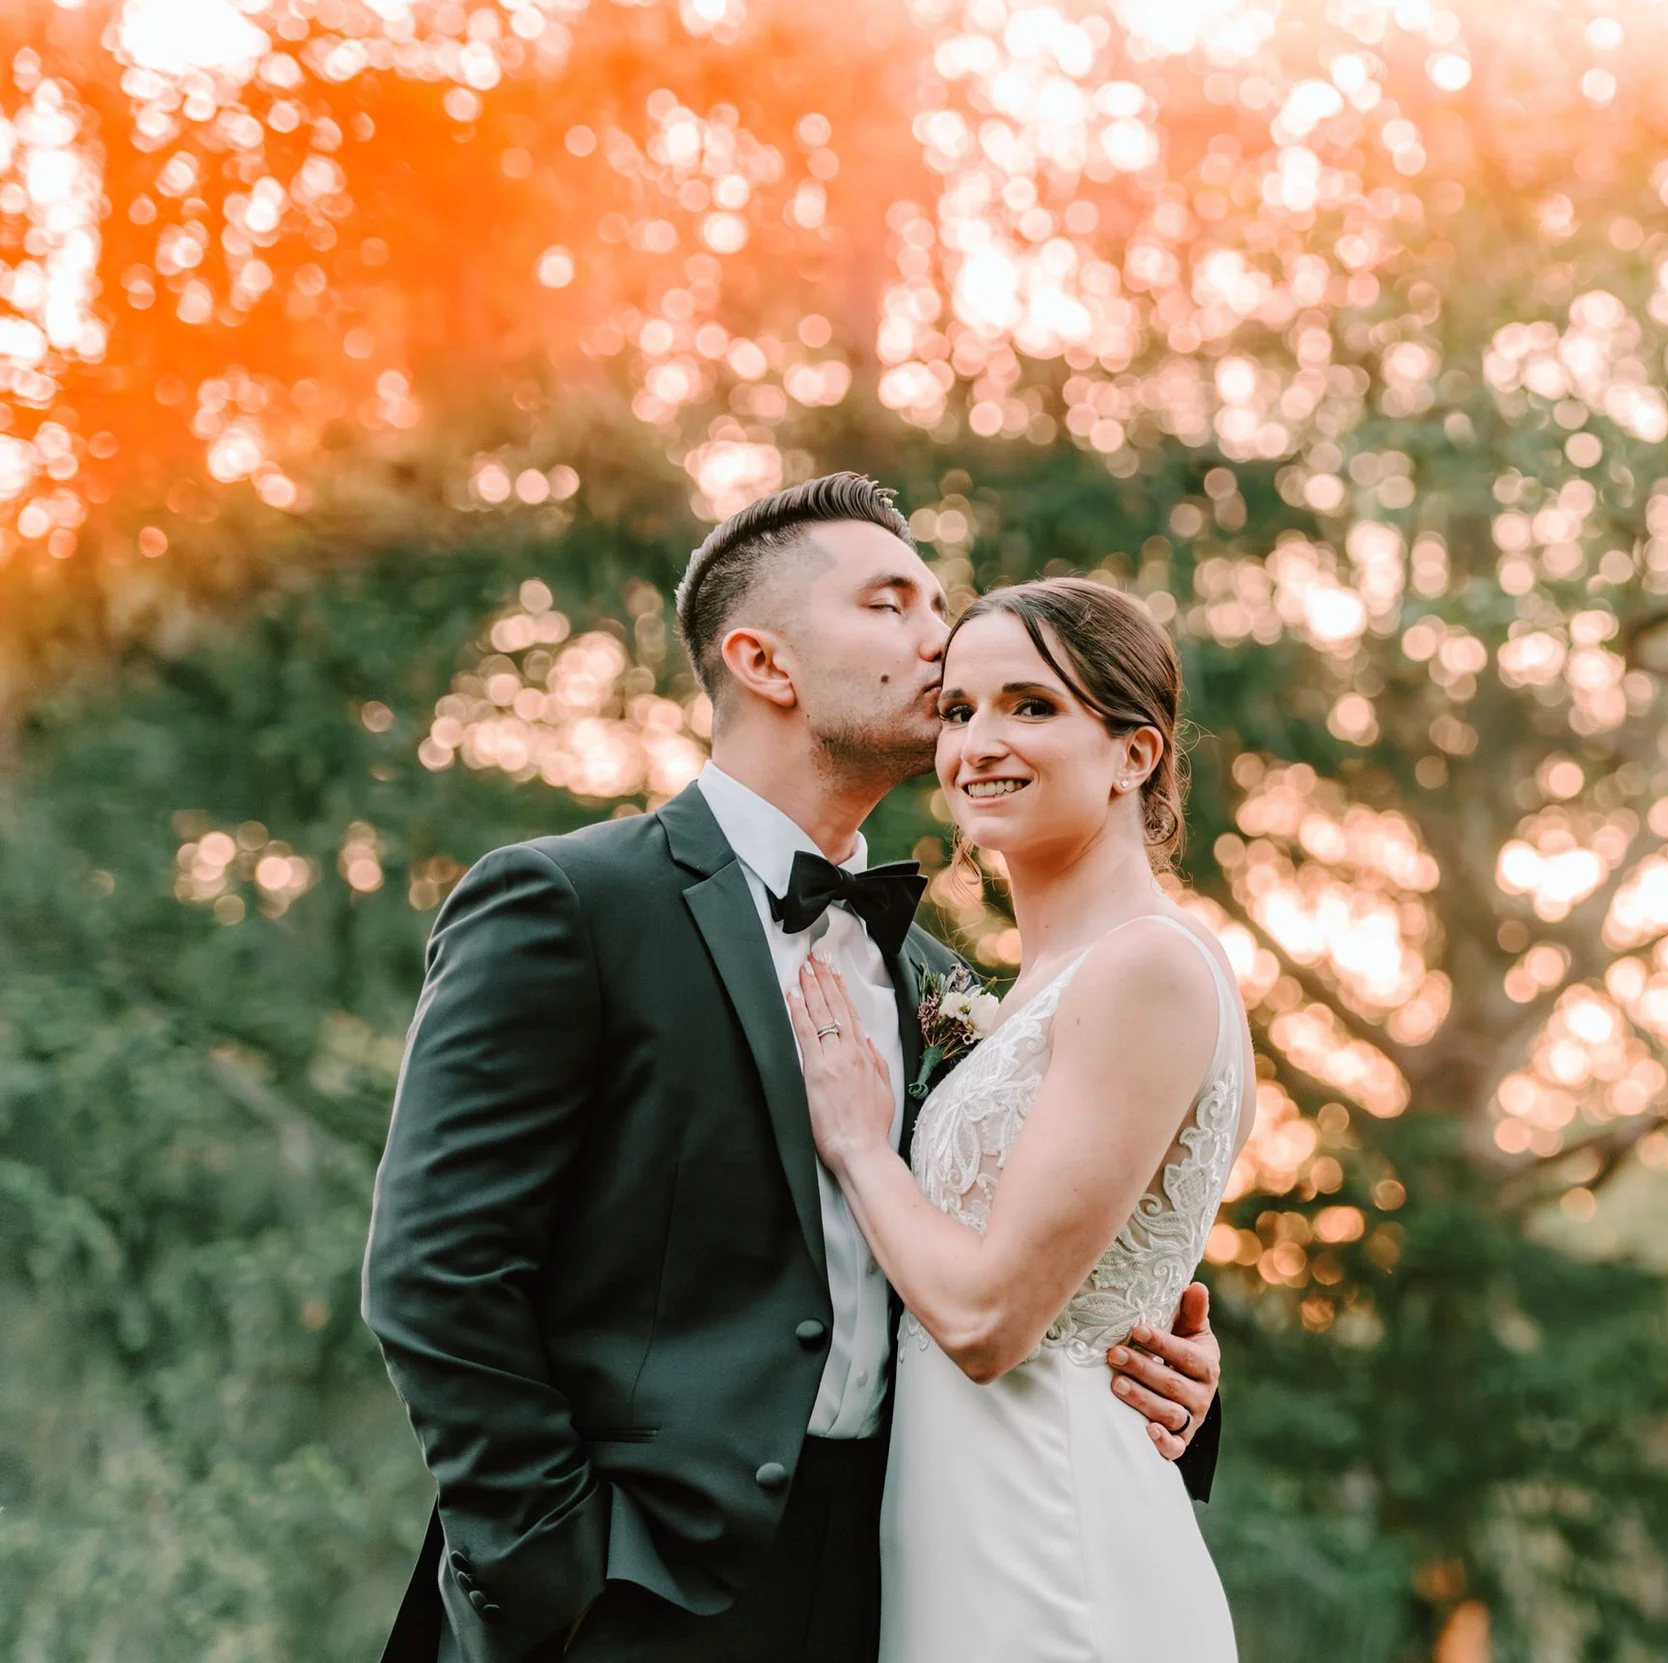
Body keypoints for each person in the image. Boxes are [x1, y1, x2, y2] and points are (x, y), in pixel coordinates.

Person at [361, 475, 1223, 1663]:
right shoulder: (571, 903)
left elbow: (1016, 1246)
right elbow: (437, 1273)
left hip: (902, 1578)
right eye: (893, 603)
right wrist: (555, 1571)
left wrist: (1161, 1370)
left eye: (941, 602)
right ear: (764, 661)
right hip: (632, 1589)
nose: (942, 637)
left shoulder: (938, 973)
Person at [789, 575, 1246, 1662]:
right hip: (953, 1526)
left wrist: (860, 1145)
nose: (978, 744)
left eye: (1031, 706)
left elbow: (996, 1323)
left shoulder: (1147, 968)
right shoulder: (1017, 987)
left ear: (1133, 753)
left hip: (1051, 1532)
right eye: (959, 710)